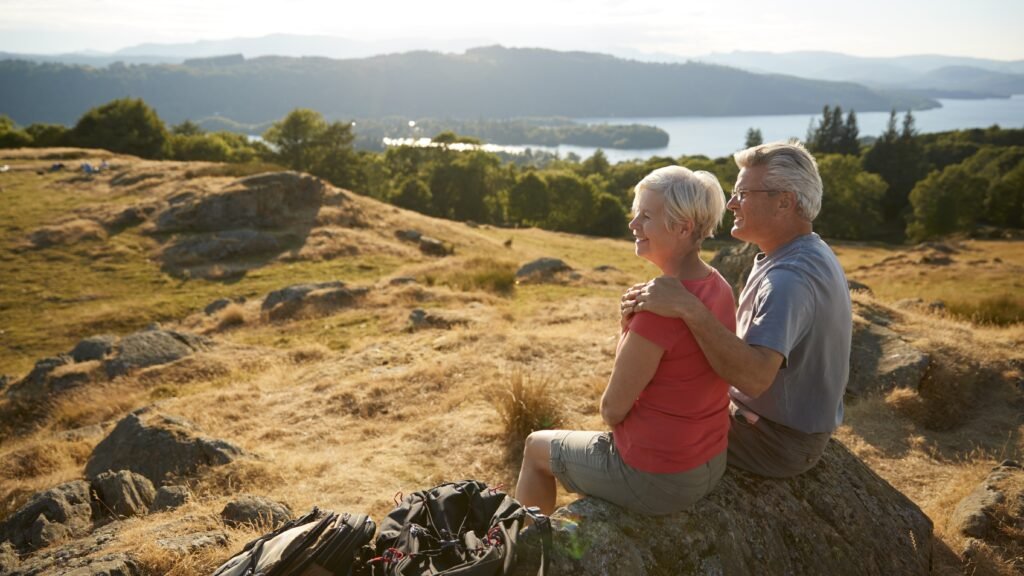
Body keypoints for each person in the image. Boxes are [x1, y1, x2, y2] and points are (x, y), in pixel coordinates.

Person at [515, 166, 736, 515]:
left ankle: (523, 555)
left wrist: (633, 326)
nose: (633, 224)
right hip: (710, 461)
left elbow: (611, 410)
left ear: (683, 227)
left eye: (646, 216)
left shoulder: (657, 310)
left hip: (658, 478)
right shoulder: (717, 284)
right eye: (636, 214)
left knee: (534, 447)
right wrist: (627, 326)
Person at [624, 141, 852, 478]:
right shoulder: (803, 251)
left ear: (784, 202)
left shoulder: (789, 278)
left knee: (647, 423)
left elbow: (754, 377)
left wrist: (690, 308)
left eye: (743, 193)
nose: (731, 203)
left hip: (773, 441)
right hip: (776, 428)